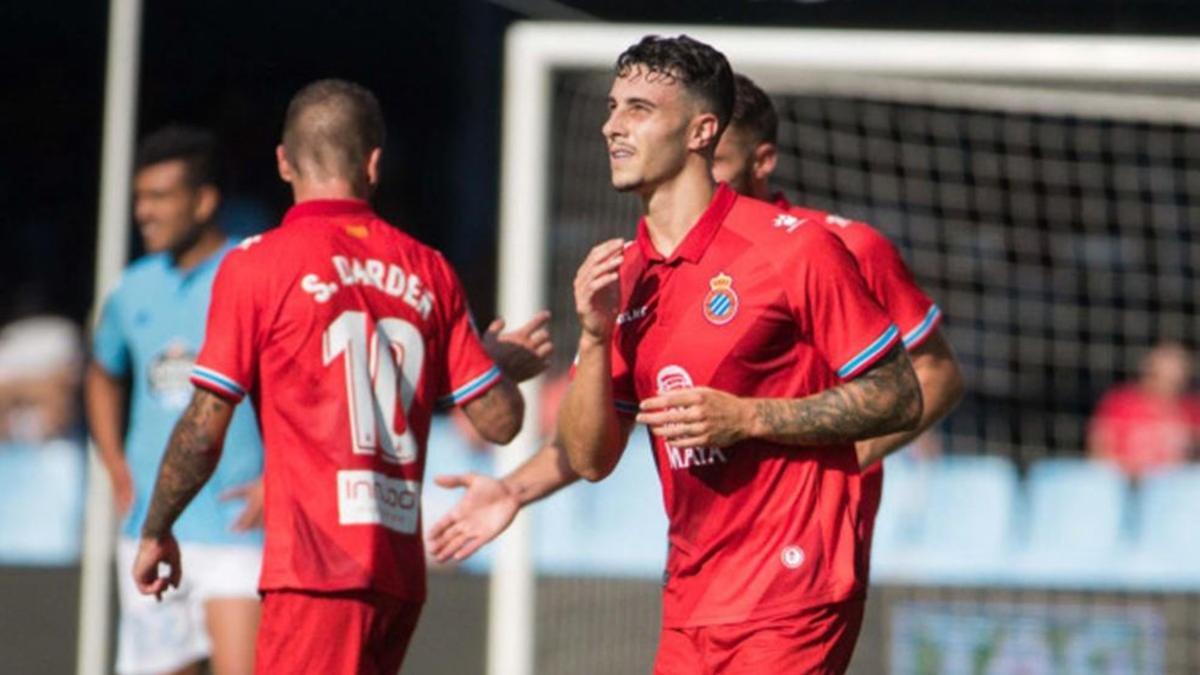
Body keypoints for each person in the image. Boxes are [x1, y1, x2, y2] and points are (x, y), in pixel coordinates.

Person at [130, 80, 539, 675]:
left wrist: (157, 528)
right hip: (396, 575)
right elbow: (500, 423)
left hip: (316, 572)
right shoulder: (430, 270)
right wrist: (492, 363)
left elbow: (202, 427)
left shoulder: (256, 266)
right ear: (373, 162)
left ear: (282, 161)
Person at [560, 35, 923, 673]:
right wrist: (592, 336)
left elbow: (900, 394)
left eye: (639, 109)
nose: (612, 126)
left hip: (792, 588)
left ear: (701, 130)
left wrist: (748, 417)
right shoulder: (629, 274)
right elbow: (590, 460)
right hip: (692, 596)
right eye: (614, 108)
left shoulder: (794, 250)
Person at [711, 73, 964, 581]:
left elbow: (937, 373)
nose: (698, 177)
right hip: (706, 535)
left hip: (805, 537)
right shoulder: (665, 263)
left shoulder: (845, 247)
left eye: (715, 162)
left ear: (762, 160)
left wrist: (845, 458)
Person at [87, 126, 264, 675]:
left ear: (204, 200)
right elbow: (101, 372)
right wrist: (115, 461)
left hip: (236, 525)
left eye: (160, 197)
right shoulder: (132, 288)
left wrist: (279, 474)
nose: (144, 212)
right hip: (151, 527)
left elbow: (302, 386)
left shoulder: (253, 274)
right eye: (140, 198)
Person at [1088, 342, 1198, 478]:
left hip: (1174, 488)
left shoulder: (1192, 409)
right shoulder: (1120, 402)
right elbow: (1099, 449)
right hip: (1123, 485)